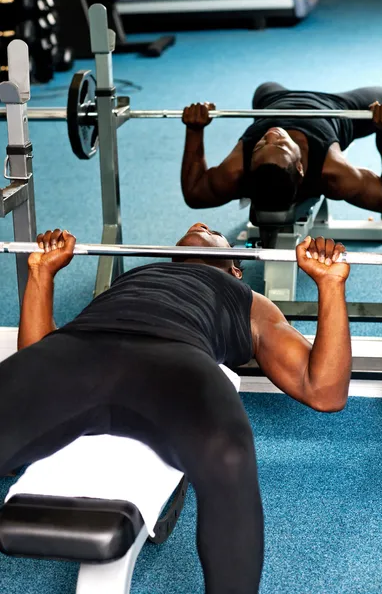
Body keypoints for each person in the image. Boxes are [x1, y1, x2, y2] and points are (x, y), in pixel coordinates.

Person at [0, 224, 351, 594]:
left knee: (228, 456)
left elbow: (324, 391)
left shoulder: (250, 301)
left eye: (213, 230)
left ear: (235, 266)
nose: (198, 225)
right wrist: (42, 273)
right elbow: (36, 355)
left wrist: (330, 287)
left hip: (175, 362)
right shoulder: (137, 275)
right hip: (77, 350)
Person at [181, 85, 382, 218]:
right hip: (335, 107)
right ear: (300, 166)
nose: (274, 134)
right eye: (282, 145)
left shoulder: (235, 169)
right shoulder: (333, 172)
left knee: (264, 87)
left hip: (274, 99)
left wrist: (194, 129)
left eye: (260, 144)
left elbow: (194, 193)